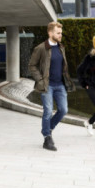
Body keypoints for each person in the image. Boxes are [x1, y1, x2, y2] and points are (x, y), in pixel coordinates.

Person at [28, 21, 76, 151]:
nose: (60, 35)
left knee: (63, 110)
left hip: (60, 85)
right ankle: (47, 138)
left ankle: (48, 128)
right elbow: (32, 65)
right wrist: (40, 80)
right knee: (48, 111)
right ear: (50, 33)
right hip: (47, 86)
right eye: (58, 33)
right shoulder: (41, 48)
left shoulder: (61, 47)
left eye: (61, 33)